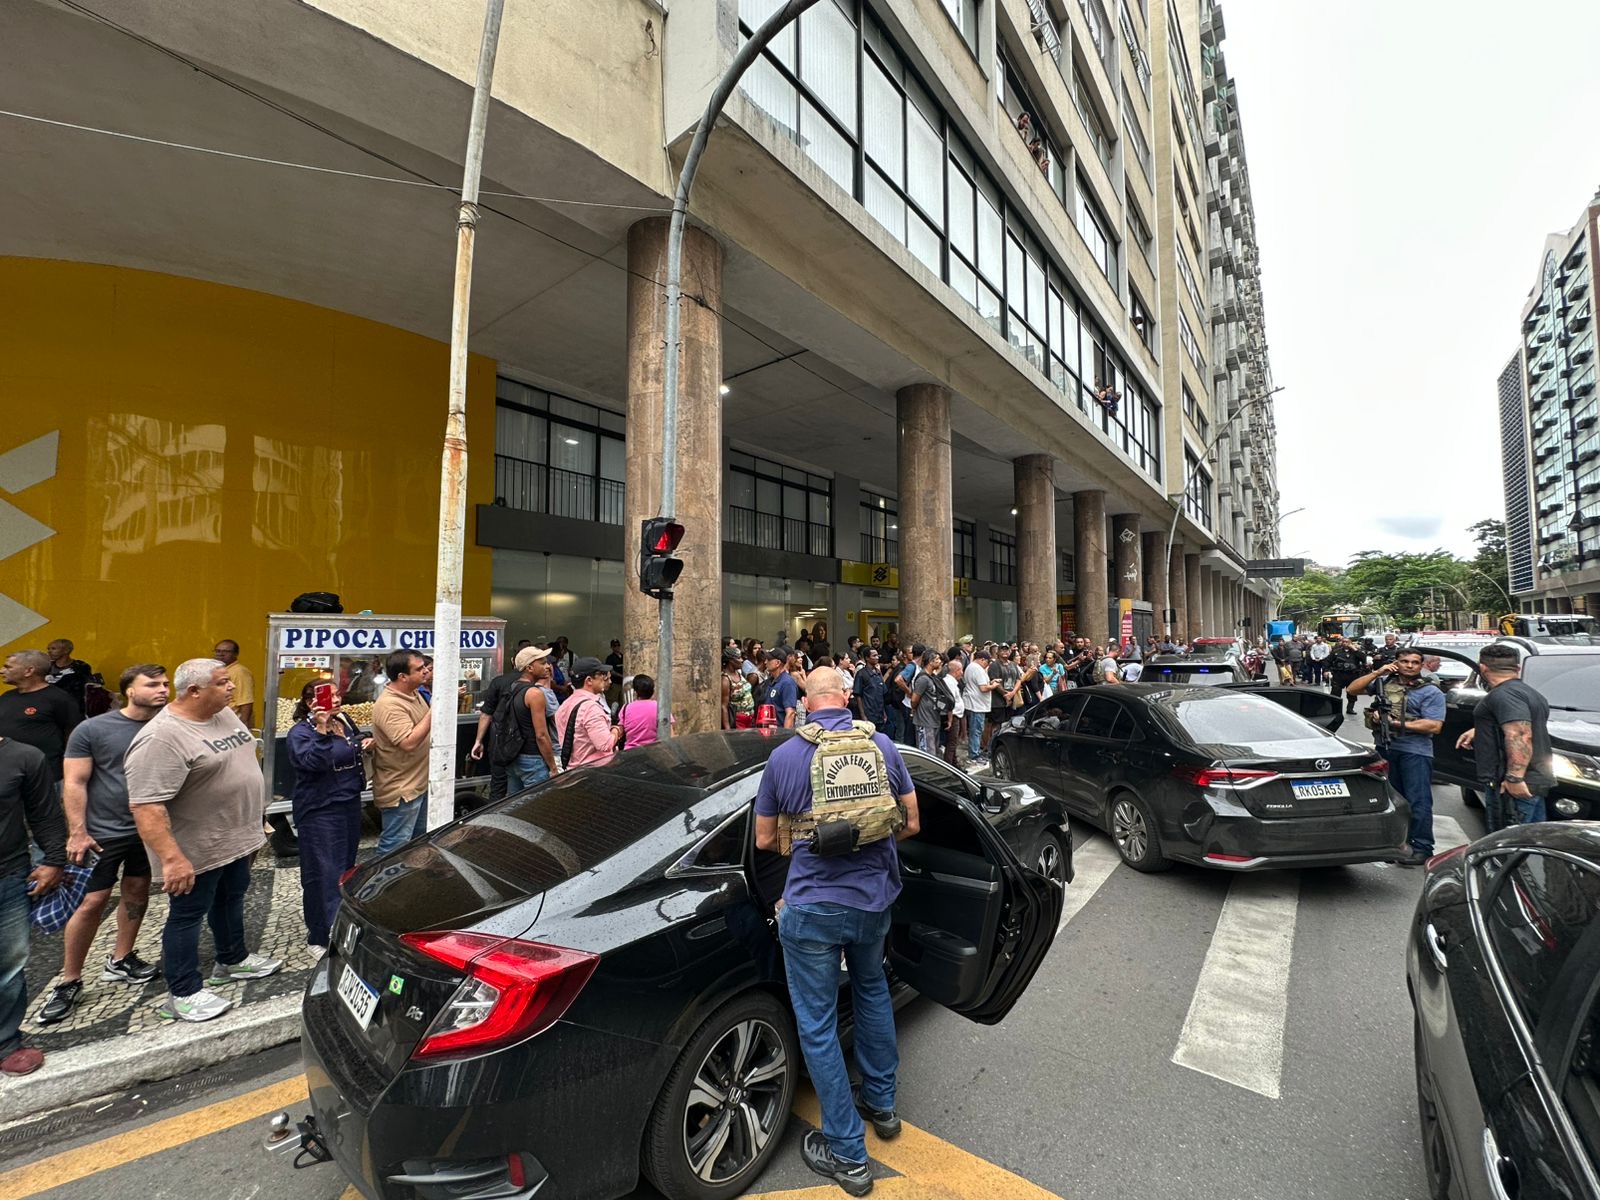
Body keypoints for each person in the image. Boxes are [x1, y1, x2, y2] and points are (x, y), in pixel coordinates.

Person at [753, 667, 920, 1195]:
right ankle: (882, 1105)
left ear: (805, 700)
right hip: (873, 902)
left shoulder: (784, 757)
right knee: (872, 990)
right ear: (846, 697)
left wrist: (811, 839)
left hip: (812, 909)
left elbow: (763, 840)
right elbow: (912, 823)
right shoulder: (883, 746)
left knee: (818, 1025)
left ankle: (848, 1154)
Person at [126, 658, 282, 1023]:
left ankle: (232, 959)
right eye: (222, 682)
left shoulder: (222, 714)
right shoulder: (161, 738)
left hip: (236, 837)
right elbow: (146, 806)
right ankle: (183, 992)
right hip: (196, 848)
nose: (232, 687)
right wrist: (172, 858)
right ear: (194, 691)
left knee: (231, 898)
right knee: (187, 915)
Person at [37, 664, 167, 1026]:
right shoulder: (93, 729)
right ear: (130, 690)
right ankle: (69, 980)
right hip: (102, 832)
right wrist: (77, 831)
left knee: (137, 891)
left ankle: (121, 958)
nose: (162, 689)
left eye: (165, 683)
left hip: (147, 828)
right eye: (152, 684)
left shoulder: (167, 725)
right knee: (92, 902)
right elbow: (74, 782)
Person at [286, 680, 370, 950]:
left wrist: (363, 742)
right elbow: (312, 763)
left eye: (337, 693)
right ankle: (321, 936)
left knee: (344, 868)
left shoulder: (343, 720)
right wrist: (322, 729)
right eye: (328, 696)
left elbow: (353, 743)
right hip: (321, 809)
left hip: (349, 802)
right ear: (310, 702)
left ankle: (341, 924)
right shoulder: (301, 733)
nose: (336, 699)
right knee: (322, 872)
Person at [1, 731, 64, 1075]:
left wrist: (54, 860)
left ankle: (6, 1041)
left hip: (9, 875)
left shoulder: (24, 757)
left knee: (10, 965)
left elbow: (45, 815)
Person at [1347, 649, 1445, 866]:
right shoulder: (1384, 683)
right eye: (1404, 661)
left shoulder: (1430, 691)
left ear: (1421, 665)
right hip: (1386, 748)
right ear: (1396, 663)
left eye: (1415, 662)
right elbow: (1352, 689)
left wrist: (1395, 723)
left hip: (1415, 751)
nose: (1409, 666)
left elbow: (1434, 726)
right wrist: (1377, 672)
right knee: (1392, 799)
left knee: (1418, 800)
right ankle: (1398, 844)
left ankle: (1422, 847)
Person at [1456, 644, 1553, 832]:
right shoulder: (1526, 692)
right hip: (1531, 780)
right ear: (1518, 668)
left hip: (1513, 786)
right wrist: (1479, 730)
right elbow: (1521, 724)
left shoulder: (1504, 695)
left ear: (1483, 668)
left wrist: (1514, 778)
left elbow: (1520, 734)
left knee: (1509, 844)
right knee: (1531, 841)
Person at [370, 650, 433, 856]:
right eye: (419, 669)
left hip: (419, 784)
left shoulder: (414, 693)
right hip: (402, 790)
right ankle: (383, 877)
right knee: (394, 848)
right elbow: (407, 742)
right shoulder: (389, 704)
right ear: (402, 676)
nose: (426, 671)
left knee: (418, 843)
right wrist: (435, 709)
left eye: (425, 667)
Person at [0, 650, 80, 781]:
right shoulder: (6, 697)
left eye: (8, 667)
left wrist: (71, 771)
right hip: (8, 773)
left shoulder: (59, 698)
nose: (1, 671)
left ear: (29, 671)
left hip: (43, 775)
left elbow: (72, 733)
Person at [469, 657, 524, 803]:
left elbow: (486, 713)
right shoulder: (535, 684)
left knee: (498, 786)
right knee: (525, 791)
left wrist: (479, 740)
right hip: (524, 745)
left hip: (499, 741)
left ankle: (494, 814)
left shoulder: (499, 681)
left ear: (512, 661)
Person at [554, 658, 621, 768]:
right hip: (594, 770)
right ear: (589, 680)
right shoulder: (590, 708)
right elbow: (605, 744)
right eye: (601, 675)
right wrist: (617, 730)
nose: (605, 679)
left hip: (575, 769)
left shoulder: (565, 705)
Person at [44, 639, 94, 718]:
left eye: (53, 649)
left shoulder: (80, 667)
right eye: (48, 649)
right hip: (50, 708)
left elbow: (88, 689)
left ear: (66, 650)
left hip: (74, 709)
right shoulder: (45, 667)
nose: (49, 652)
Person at [963, 649, 996, 765]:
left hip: (975, 703)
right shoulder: (977, 669)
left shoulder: (971, 667)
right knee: (976, 731)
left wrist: (991, 682)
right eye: (988, 662)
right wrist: (994, 685)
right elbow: (983, 688)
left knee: (975, 730)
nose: (988, 664)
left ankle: (975, 752)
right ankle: (974, 755)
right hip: (976, 705)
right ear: (982, 660)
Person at [212, 640, 255, 730]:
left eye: (226, 651)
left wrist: (242, 728)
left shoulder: (240, 672)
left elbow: (246, 702)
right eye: (218, 651)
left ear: (235, 654)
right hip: (220, 723)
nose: (220, 654)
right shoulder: (222, 671)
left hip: (234, 724)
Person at [910, 650, 946, 756]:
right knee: (927, 753)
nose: (940, 661)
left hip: (933, 719)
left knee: (933, 752)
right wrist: (915, 709)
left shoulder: (932, 677)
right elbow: (914, 700)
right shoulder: (923, 679)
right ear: (930, 661)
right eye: (937, 659)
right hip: (925, 721)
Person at [759, 651, 802, 730]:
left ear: (778, 663)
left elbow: (790, 713)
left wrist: (785, 735)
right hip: (768, 731)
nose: (765, 662)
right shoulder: (771, 681)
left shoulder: (787, 683)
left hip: (779, 732)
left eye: (768, 659)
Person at [616, 674, 661, 749]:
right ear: (652, 691)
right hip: (654, 751)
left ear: (635, 692)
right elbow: (670, 732)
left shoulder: (626, 708)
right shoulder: (659, 707)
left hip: (630, 752)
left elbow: (620, 732)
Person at [852, 648, 888, 731]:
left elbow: (882, 694)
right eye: (874, 656)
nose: (877, 657)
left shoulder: (878, 673)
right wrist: (863, 715)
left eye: (877, 655)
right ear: (867, 658)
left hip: (879, 713)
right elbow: (858, 696)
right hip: (868, 713)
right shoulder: (861, 674)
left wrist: (884, 713)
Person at [1328, 637, 1366, 714]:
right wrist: (1326, 670)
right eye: (1344, 642)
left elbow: (1363, 659)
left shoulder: (1356, 651)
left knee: (1352, 693)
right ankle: (1335, 710)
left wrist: (1354, 649)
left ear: (1351, 643)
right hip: (1339, 675)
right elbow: (1328, 661)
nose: (1345, 643)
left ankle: (1350, 709)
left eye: (1347, 642)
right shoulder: (1336, 652)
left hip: (1352, 675)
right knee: (1335, 692)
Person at [723, 648, 755, 730]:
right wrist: (727, 728)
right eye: (738, 658)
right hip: (738, 721)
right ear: (731, 660)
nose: (741, 660)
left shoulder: (738, 673)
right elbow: (723, 706)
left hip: (750, 718)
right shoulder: (725, 679)